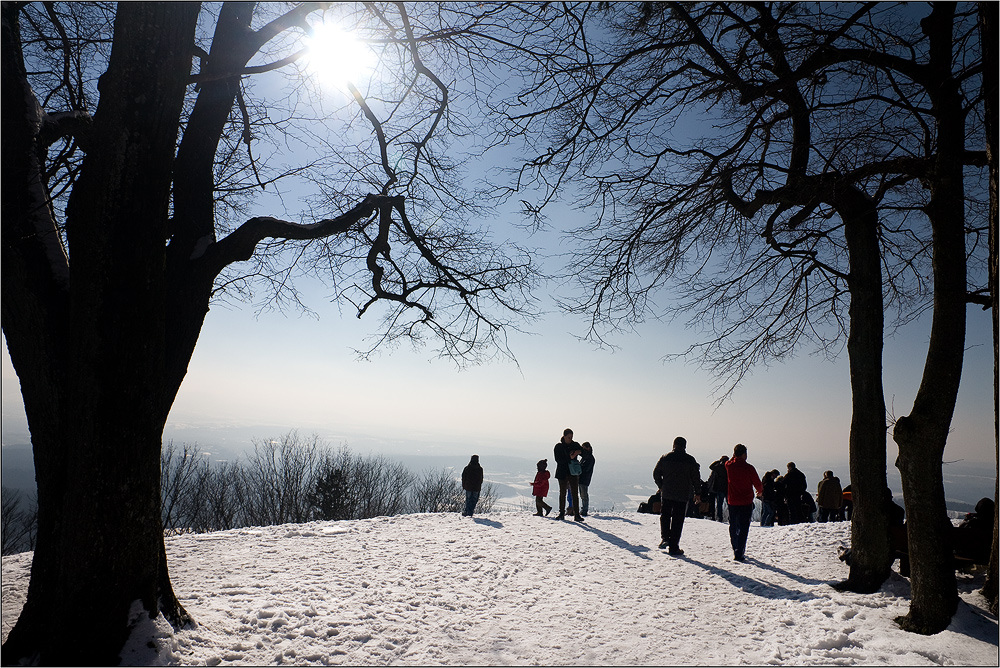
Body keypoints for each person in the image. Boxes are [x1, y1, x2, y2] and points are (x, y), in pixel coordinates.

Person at [652, 436, 702, 555]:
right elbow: (696, 478)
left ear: (674, 445)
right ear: (685, 446)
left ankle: (665, 538)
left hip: (667, 493)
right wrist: (698, 493)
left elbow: (656, 473)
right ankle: (674, 547)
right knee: (678, 520)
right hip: (683, 494)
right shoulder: (690, 460)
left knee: (665, 515)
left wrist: (661, 486)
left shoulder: (665, 457)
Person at [725, 443, 763, 562]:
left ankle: (735, 546)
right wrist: (760, 492)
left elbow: (729, 462)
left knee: (733, 525)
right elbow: (758, 484)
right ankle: (739, 551)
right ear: (744, 454)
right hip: (746, 502)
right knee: (743, 527)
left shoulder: (729, 466)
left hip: (732, 501)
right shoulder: (749, 468)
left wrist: (734, 457)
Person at [954, 497, 995, 565]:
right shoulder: (994, 524)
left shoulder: (973, 523)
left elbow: (961, 529)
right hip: (986, 556)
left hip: (971, 555)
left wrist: (967, 520)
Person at [553, 428, 580, 520]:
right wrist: (570, 457)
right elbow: (558, 460)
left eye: (571, 437)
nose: (570, 439)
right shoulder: (558, 447)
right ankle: (561, 513)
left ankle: (577, 514)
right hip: (562, 473)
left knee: (575, 493)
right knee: (562, 493)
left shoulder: (575, 445)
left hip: (573, 473)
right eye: (568, 437)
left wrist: (578, 452)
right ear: (564, 436)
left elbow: (586, 453)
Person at [707, 455, 729, 522]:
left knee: (720, 505)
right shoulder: (728, 468)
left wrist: (718, 461)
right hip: (727, 488)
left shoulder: (719, 467)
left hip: (720, 488)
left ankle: (720, 518)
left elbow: (711, 466)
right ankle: (730, 517)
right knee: (730, 504)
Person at [565, 446, 585, 522]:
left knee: (570, 496)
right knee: (571, 495)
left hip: (572, 479)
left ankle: (571, 509)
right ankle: (572, 509)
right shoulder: (576, 463)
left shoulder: (572, 463)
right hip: (573, 478)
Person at [578, 441, 596, 517]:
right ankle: (583, 509)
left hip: (584, 479)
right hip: (581, 478)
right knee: (582, 495)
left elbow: (586, 469)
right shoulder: (585, 458)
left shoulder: (590, 458)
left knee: (584, 495)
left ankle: (584, 510)